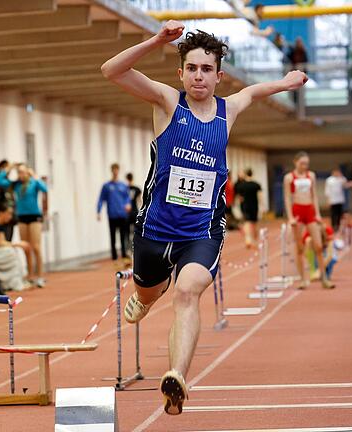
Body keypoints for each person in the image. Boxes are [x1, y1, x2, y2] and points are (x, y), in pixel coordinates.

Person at [100, 21, 307, 415]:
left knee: (188, 291)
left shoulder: (228, 111)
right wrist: (158, 40)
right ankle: (145, 298)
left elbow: (253, 91)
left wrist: (284, 82)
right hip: (155, 229)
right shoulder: (166, 101)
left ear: (218, 75)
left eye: (207, 69)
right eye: (192, 68)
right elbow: (112, 71)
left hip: (202, 231)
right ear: (180, 73)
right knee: (148, 291)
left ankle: (176, 374)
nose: (199, 76)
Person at [283, 152, 332, 290]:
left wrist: (317, 214)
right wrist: (290, 217)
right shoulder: (289, 177)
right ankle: (303, 279)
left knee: (318, 245)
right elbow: (287, 197)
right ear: (295, 162)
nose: (304, 166)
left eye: (306, 164)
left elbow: (314, 195)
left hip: (309, 211)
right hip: (297, 212)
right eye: (302, 163)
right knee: (299, 248)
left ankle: (324, 278)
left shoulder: (311, 175)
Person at [0, 163, 48, 287]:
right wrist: (10, 168)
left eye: (23, 172)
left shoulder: (33, 183)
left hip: (34, 216)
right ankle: (30, 275)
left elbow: (45, 189)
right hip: (22, 217)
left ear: (27, 173)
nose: (21, 175)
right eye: (19, 172)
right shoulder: (16, 185)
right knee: (26, 247)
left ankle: (40, 276)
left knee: (36, 247)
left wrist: (35, 176)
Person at [97, 163, 132, 263]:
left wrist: (128, 204)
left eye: (117, 170)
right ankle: (114, 257)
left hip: (122, 214)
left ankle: (124, 254)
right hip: (112, 214)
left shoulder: (123, 186)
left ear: (118, 171)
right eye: (114, 170)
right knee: (112, 236)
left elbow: (127, 198)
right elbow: (101, 198)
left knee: (122, 235)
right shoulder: (107, 186)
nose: (115, 172)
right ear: (112, 171)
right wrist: (98, 211)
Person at [235, 168, 262, 249]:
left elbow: (239, 198)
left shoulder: (241, 185)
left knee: (247, 222)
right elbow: (260, 196)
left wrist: (238, 206)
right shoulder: (256, 184)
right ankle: (254, 240)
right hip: (255, 206)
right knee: (255, 223)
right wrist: (262, 206)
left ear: (245, 174)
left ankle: (248, 239)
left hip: (245, 206)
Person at [0, 159, 15, 241]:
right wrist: (7, 169)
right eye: (7, 168)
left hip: (9, 212)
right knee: (2, 238)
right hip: (1, 212)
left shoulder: (7, 181)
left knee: (8, 238)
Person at [126, 172, 143, 244]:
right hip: (131, 211)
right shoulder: (126, 188)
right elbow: (140, 201)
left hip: (132, 211)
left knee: (131, 231)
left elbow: (139, 200)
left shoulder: (126, 189)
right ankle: (131, 245)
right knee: (130, 231)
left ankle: (131, 245)